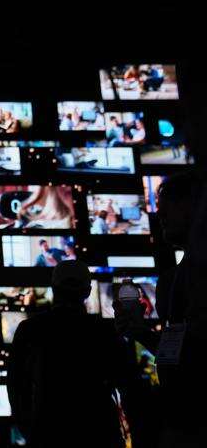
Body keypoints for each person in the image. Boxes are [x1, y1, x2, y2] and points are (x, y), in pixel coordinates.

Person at [114, 171, 207, 447]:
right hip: (182, 418)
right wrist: (139, 332)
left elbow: (192, 350)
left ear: (194, 208)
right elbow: (178, 352)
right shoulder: (172, 280)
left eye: (170, 207)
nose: (160, 215)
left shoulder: (190, 276)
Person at [7, 260, 129, 448]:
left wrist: (31, 430)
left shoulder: (29, 330)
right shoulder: (105, 331)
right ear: (87, 291)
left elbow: (16, 387)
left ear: (54, 289)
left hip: (48, 433)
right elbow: (128, 386)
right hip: (99, 433)